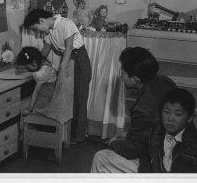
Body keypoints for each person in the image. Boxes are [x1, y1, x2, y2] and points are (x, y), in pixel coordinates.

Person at [91, 47, 177, 173]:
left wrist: (113, 143)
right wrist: (127, 137)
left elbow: (130, 150)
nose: (120, 74)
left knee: (100, 157)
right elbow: (150, 131)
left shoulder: (143, 108)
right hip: (170, 148)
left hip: (160, 165)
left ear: (135, 79)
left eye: (123, 71)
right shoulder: (165, 81)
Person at [23, 9, 92, 144]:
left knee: (79, 98)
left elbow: (69, 47)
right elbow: (46, 50)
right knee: (68, 97)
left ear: (42, 21)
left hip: (78, 59)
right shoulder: (48, 31)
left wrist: (62, 67)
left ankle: (79, 136)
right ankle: (68, 133)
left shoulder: (65, 23)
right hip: (68, 59)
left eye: (36, 28)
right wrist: (34, 64)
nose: (38, 33)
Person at [139, 88, 197, 173]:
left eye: (177, 114)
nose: (170, 119)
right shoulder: (153, 135)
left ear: (190, 118)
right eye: (166, 112)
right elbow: (145, 164)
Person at [15, 46, 57, 116]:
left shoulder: (40, 74)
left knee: (17, 107)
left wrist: (29, 109)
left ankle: (22, 126)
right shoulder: (46, 64)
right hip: (50, 97)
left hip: (44, 102)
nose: (27, 68)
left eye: (27, 66)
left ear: (34, 63)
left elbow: (36, 92)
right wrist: (24, 70)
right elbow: (36, 69)